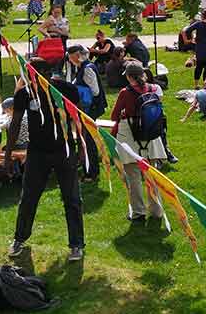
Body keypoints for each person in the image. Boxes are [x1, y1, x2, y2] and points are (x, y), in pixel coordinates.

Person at [6, 60, 84, 260]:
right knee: (29, 198)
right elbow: (15, 123)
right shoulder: (24, 94)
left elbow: (80, 120)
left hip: (64, 151)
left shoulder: (66, 90)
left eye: (32, 73)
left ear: (47, 72)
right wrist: (8, 154)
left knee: (72, 199)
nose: (29, 77)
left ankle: (76, 244)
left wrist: (83, 150)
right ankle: (19, 239)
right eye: (27, 73)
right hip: (37, 153)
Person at [109, 64, 168, 223]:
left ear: (129, 76)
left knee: (133, 176)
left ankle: (138, 212)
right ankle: (156, 211)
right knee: (151, 176)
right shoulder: (153, 88)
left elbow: (114, 116)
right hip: (151, 134)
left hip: (130, 136)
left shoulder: (125, 92)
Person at [65, 45, 106, 181]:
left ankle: (92, 172)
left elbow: (95, 91)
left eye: (70, 58)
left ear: (76, 56)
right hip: (84, 109)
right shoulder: (82, 67)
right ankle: (85, 166)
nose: (70, 61)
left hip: (89, 109)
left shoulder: (87, 69)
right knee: (84, 141)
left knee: (88, 141)